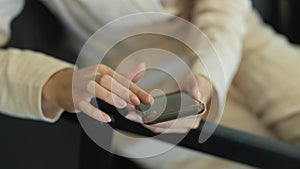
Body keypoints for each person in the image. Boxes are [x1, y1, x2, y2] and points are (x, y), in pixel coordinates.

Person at [0, 0, 299, 169]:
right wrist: (59, 83)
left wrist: (207, 74)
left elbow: (224, 10)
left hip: (237, 39)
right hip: (141, 91)